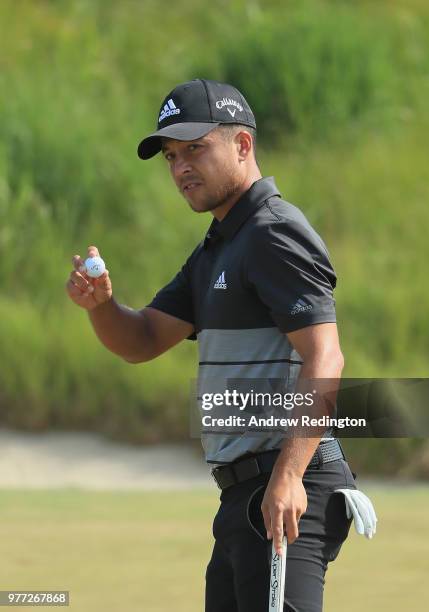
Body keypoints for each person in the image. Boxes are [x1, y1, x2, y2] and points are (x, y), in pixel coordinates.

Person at [66, 79, 359, 611]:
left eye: (195, 149)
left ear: (242, 145)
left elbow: (326, 356)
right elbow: (144, 339)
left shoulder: (272, 233)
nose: (180, 168)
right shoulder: (218, 248)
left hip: (289, 483)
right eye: (172, 156)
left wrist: (289, 477)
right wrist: (102, 308)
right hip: (241, 497)